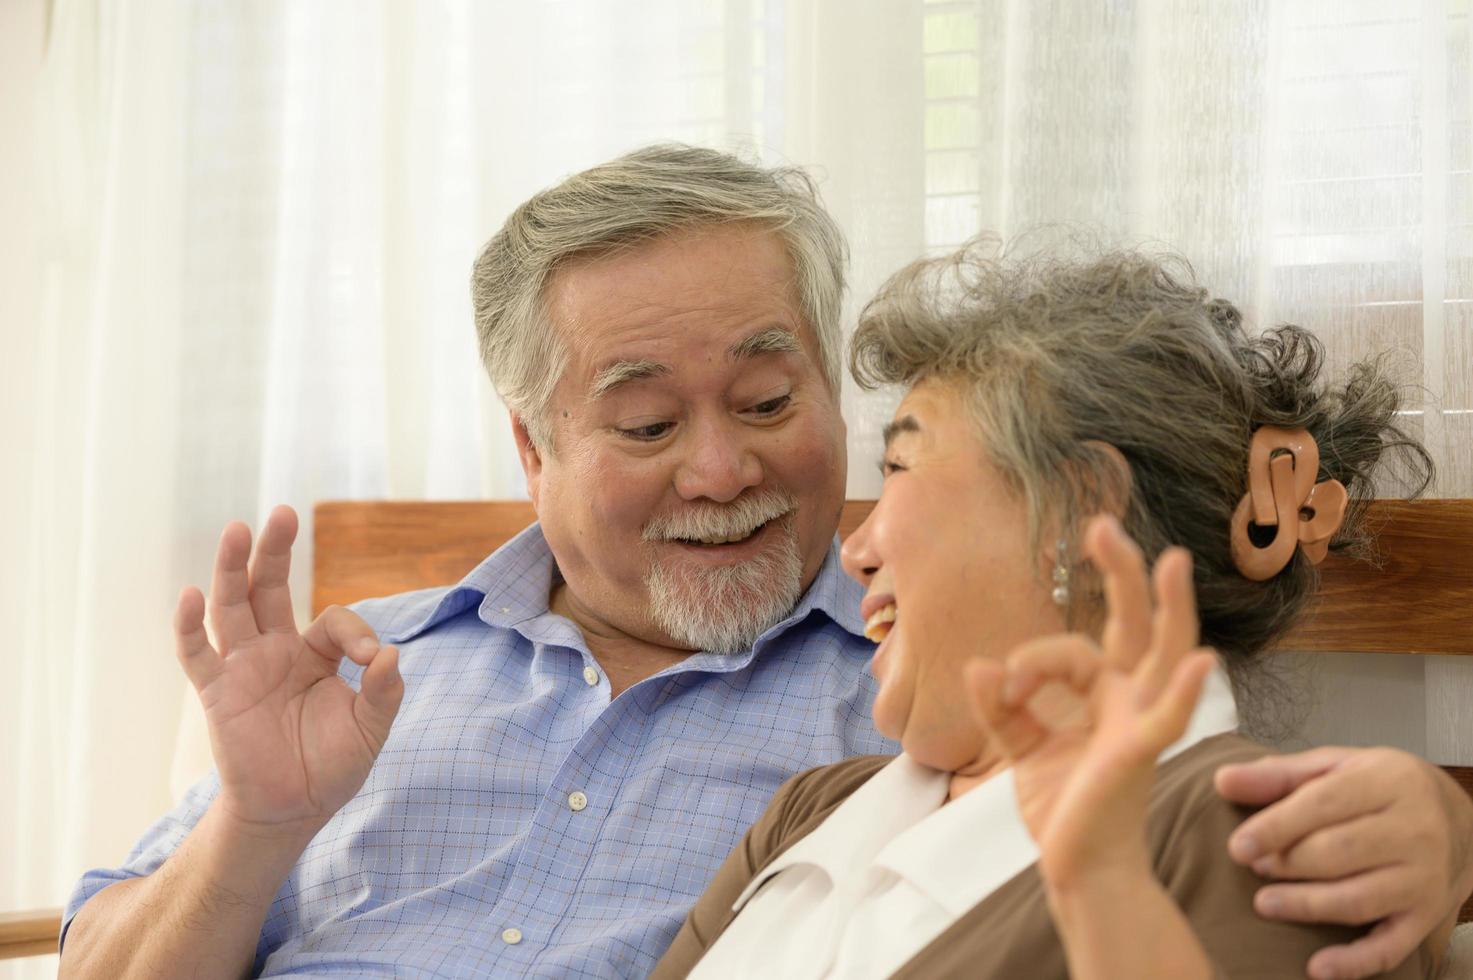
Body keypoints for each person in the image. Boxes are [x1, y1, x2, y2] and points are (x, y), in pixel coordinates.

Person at [58, 147, 1471, 979]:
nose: (722, 471)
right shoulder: (368, 672)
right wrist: (254, 827)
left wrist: (1450, 831)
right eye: (645, 421)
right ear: (531, 448)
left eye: (769, 400)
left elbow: (1227, 819)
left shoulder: (933, 697)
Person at [652, 242, 1455, 978]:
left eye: (899, 468)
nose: (855, 549)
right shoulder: (808, 812)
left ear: (1078, 514)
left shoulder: (1256, 839)